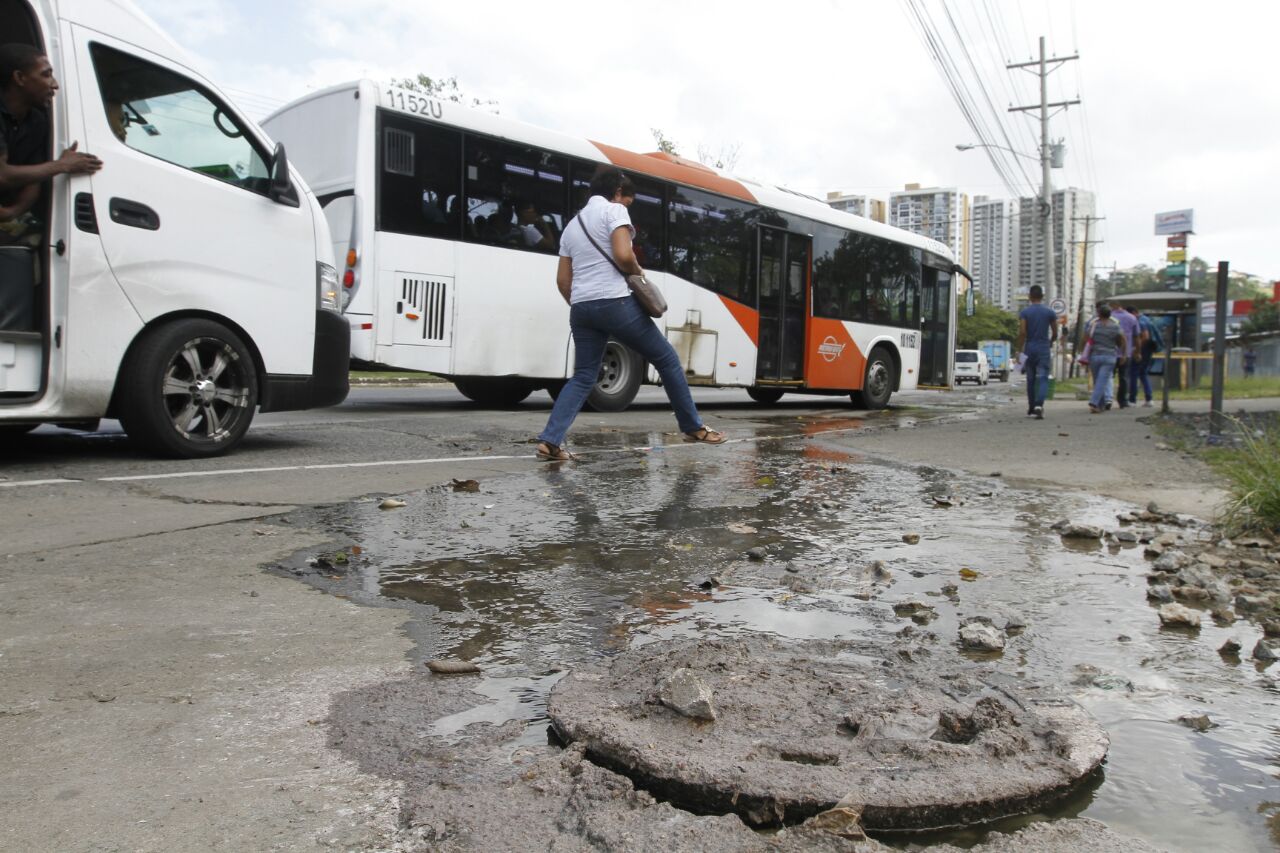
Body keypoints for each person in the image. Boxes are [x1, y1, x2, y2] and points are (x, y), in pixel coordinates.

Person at [534, 165, 724, 461]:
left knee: (584, 376)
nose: (626, 206)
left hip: (581, 308)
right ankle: (692, 426)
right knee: (666, 359)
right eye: (627, 200)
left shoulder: (572, 226)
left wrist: (586, 306)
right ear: (618, 192)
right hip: (615, 303)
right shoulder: (614, 212)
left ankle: (550, 441)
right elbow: (623, 256)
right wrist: (637, 271)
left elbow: (562, 281)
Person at [0, 44, 102, 236]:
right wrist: (61, 165)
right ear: (19, 78)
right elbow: (2, 175)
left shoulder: (37, 120)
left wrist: (12, 212)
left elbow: (36, 177)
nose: (54, 84)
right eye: (46, 75)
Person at [1015, 284, 1057, 420]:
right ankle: (1039, 405)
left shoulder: (1025, 312)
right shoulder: (1049, 312)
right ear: (1042, 297)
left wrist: (1019, 349)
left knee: (1031, 379)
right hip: (1043, 347)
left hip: (1030, 347)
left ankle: (1031, 407)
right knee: (1043, 377)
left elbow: (1022, 332)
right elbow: (1055, 332)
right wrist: (1051, 341)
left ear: (1029, 297)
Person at [1086, 304, 1126, 414]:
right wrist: (1123, 354)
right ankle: (1099, 404)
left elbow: (1086, 338)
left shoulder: (1093, 325)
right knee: (1102, 380)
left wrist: (1083, 353)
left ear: (1099, 314)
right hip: (1109, 357)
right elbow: (1122, 340)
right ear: (1110, 314)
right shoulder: (1115, 326)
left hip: (1095, 356)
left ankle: (1094, 402)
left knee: (1098, 380)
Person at [1109, 301, 1139, 409]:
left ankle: (1107, 399)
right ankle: (1123, 401)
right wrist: (1137, 351)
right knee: (1124, 377)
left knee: (1108, 377)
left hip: (1110, 352)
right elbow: (1136, 336)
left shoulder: (1109, 317)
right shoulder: (1132, 318)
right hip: (1126, 353)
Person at [1129, 307, 1158, 407]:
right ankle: (1149, 398)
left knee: (1134, 373)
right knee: (1143, 373)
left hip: (1142, 350)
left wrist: (1136, 348)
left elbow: (1145, 336)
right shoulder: (1147, 319)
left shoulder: (1140, 322)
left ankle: (1132, 399)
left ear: (1134, 313)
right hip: (1149, 350)